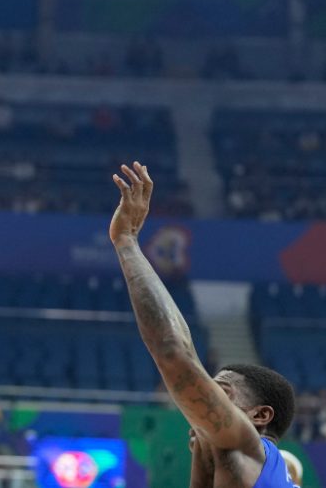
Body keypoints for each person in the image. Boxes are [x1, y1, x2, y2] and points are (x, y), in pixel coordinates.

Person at [110, 162, 297, 488]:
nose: (200, 395)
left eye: (221, 391)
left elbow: (173, 352)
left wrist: (126, 242)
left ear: (259, 416)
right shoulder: (248, 470)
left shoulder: (246, 446)